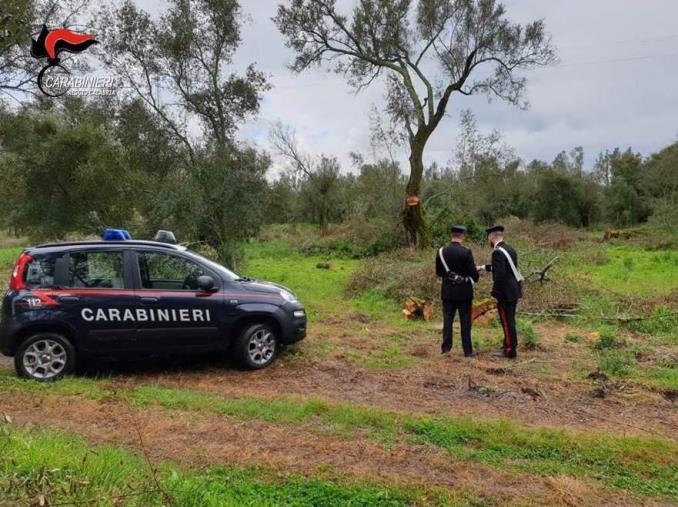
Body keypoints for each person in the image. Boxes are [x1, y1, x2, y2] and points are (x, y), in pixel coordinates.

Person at [477, 225, 523, 359]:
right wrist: (483, 267)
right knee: (510, 320)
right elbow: (502, 268)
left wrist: (495, 293)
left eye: (488, 237)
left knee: (506, 321)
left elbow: (500, 275)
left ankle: (509, 350)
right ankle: (509, 344)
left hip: (505, 293)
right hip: (514, 290)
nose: (488, 240)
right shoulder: (510, 249)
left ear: (492, 236)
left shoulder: (497, 252)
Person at [435, 225, 480, 357]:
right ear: (462, 236)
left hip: (447, 292)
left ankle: (446, 349)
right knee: (465, 322)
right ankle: (468, 351)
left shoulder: (441, 251)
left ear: (452, 235)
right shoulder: (466, 252)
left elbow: (439, 272)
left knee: (447, 320)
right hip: (464, 292)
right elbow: (474, 275)